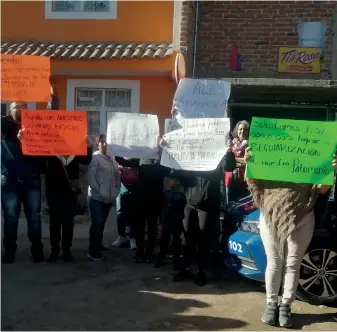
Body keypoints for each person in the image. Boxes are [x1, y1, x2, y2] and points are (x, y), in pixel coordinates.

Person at [244, 149, 337, 328]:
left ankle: (286, 305)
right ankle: (271, 304)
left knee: (292, 264)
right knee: (274, 263)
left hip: (303, 217)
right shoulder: (272, 155)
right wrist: (249, 162)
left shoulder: (311, 157)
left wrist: (330, 170)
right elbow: (253, 181)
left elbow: (323, 189)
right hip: (271, 215)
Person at [1, 83, 58, 263]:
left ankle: (37, 250)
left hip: (32, 181)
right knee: (11, 218)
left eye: (24, 106)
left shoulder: (36, 124)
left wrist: (53, 96)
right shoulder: (4, 126)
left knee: (35, 217)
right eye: (17, 106)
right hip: (9, 182)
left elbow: (50, 116)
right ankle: (9, 250)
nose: (21, 109)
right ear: (10, 110)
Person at [173, 151, 236, 287]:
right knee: (185, 238)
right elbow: (178, 173)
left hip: (207, 206)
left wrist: (228, 152)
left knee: (203, 240)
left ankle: (201, 271)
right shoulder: (191, 152)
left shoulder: (218, 153)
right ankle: (184, 268)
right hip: (189, 202)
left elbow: (229, 167)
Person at [115, 156, 170, 263]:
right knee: (139, 226)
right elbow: (125, 162)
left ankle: (149, 252)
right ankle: (140, 252)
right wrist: (114, 150)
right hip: (140, 198)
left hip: (155, 199)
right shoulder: (142, 158)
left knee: (152, 226)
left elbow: (168, 171)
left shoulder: (165, 160)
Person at [46, 137, 93, 263]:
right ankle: (54, 250)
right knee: (54, 221)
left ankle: (66, 249)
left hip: (70, 190)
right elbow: (38, 158)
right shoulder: (48, 144)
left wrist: (88, 147)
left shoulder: (75, 147)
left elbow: (86, 160)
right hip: (53, 188)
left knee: (68, 220)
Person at [87, 134, 121, 261]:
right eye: (102, 142)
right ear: (98, 143)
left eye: (107, 142)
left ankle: (99, 245)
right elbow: (91, 178)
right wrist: (101, 192)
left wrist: (116, 191)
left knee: (101, 223)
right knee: (97, 223)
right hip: (96, 198)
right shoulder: (95, 158)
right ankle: (92, 250)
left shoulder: (113, 159)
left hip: (109, 197)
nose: (105, 145)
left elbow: (117, 177)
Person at [155, 170, 186, 269]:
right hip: (168, 219)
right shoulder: (171, 191)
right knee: (166, 240)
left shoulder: (179, 194)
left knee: (175, 241)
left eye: (171, 179)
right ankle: (163, 259)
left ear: (178, 181)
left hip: (175, 220)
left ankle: (174, 261)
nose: (169, 181)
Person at [112, 158, 138, 249]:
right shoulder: (118, 152)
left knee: (134, 212)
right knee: (120, 211)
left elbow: (132, 163)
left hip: (135, 186)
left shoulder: (138, 154)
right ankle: (121, 236)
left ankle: (133, 237)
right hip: (121, 185)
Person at [226, 120, 250, 202]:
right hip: (230, 177)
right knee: (229, 201)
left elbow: (248, 162)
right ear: (237, 130)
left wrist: (232, 159)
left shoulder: (250, 145)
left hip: (243, 179)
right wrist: (241, 161)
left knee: (243, 203)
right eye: (240, 129)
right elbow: (226, 159)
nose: (242, 131)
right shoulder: (231, 143)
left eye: (245, 129)